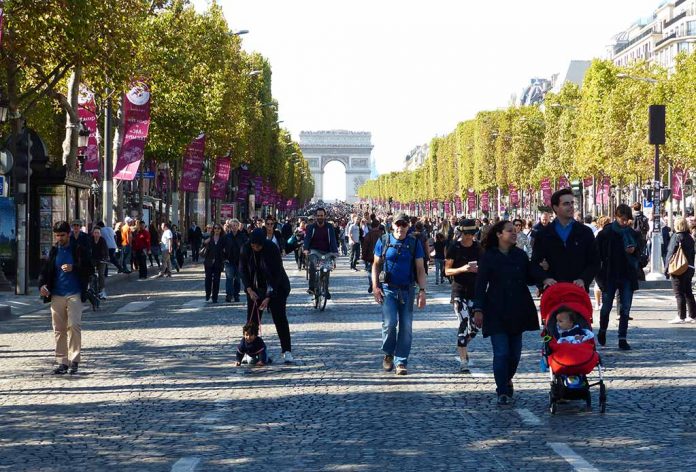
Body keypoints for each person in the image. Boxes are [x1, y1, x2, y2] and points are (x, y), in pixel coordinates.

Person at [472, 220, 539, 406]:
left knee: (515, 354)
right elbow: (480, 284)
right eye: (509, 231)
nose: (514, 232)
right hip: (495, 308)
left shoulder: (520, 255)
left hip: (517, 308)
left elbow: (529, 279)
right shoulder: (489, 256)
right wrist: (478, 309)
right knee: (501, 352)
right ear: (499, 235)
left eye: (515, 230)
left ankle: (507, 378)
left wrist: (542, 270)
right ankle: (502, 389)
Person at [371, 213, 427, 376]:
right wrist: (375, 286)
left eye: (404, 224)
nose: (401, 227)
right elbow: (375, 264)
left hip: (407, 289)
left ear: (408, 226)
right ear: (392, 225)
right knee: (389, 323)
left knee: (406, 327)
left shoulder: (414, 243)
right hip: (388, 288)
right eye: (398, 224)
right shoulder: (383, 240)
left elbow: (420, 269)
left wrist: (422, 291)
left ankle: (401, 361)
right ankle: (388, 353)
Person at [39, 221, 93, 375]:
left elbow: (89, 268)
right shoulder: (54, 251)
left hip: (74, 292)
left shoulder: (78, 249)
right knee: (59, 329)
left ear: (68, 234)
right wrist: (42, 286)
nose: (59, 238)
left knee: (74, 325)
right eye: (57, 235)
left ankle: (74, 360)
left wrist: (73, 268)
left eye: (62, 235)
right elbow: (46, 271)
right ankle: (62, 362)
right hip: (56, 294)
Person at [240, 228, 294, 363]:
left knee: (279, 318)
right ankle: (250, 351)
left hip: (277, 287)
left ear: (263, 243)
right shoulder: (245, 249)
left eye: (258, 246)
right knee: (252, 321)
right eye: (253, 245)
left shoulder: (272, 249)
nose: (255, 248)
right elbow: (242, 270)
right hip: (255, 288)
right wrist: (249, 290)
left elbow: (276, 275)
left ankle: (286, 350)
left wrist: (269, 296)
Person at [531, 188, 599, 292]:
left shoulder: (585, 232)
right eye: (566, 203)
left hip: (578, 291)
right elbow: (535, 263)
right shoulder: (543, 234)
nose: (571, 206)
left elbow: (594, 262)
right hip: (553, 291)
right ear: (555, 207)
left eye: (572, 203)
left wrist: (583, 279)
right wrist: (545, 279)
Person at [595, 204, 642, 350]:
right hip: (609, 275)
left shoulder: (633, 234)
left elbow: (640, 255)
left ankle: (622, 338)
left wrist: (634, 251)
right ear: (616, 216)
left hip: (627, 275)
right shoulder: (606, 233)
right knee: (606, 306)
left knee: (625, 308)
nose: (624, 222)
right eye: (622, 219)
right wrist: (599, 277)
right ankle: (602, 331)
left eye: (627, 219)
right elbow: (597, 256)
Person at [445, 218, 482, 372]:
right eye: (466, 234)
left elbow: (485, 267)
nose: (468, 237)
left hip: (475, 291)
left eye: (471, 234)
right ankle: (463, 360)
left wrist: (480, 269)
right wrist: (463, 269)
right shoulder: (454, 247)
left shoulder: (478, 248)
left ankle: (462, 344)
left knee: (475, 327)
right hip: (459, 291)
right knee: (463, 322)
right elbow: (447, 271)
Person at [665, 217, 696, 324]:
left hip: (678, 267)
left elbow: (670, 253)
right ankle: (692, 315)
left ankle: (681, 316)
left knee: (679, 293)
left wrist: (666, 269)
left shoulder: (676, 236)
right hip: (690, 267)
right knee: (688, 292)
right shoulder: (689, 237)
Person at [303, 207, 339, 297]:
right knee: (313, 265)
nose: (320, 217)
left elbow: (333, 239)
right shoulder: (311, 227)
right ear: (315, 217)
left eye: (321, 216)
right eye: (318, 216)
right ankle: (311, 287)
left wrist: (335, 252)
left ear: (325, 216)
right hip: (314, 251)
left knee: (326, 269)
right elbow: (307, 239)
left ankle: (325, 290)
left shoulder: (329, 227)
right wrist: (306, 249)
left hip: (326, 252)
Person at [224, 218, 247, 303]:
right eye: (232, 225)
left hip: (239, 261)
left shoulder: (242, 236)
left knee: (237, 279)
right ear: (230, 227)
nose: (234, 227)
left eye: (235, 225)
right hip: (229, 261)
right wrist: (224, 258)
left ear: (238, 226)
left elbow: (246, 247)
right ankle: (229, 295)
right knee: (229, 279)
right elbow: (222, 248)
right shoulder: (226, 237)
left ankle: (236, 295)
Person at [203, 223, 226, 303]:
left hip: (218, 262)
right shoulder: (210, 237)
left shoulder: (223, 239)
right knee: (208, 279)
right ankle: (207, 294)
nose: (217, 230)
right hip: (208, 262)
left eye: (218, 228)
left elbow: (225, 250)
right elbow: (203, 244)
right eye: (215, 228)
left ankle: (215, 297)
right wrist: (206, 241)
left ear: (221, 230)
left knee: (216, 280)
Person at [361, 219, 383, 293]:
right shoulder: (382, 234)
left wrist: (363, 255)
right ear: (378, 226)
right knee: (379, 270)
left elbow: (365, 246)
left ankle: (372, 283)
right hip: (380, 256)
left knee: (370, 271)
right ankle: (378, 284)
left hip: (370, 256)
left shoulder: (369, 234)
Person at [90, 226, 109, 300]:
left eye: (98, 233)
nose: (96, 234)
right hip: (92, 259)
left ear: (100, 234)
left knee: (101, 274)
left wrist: (105, 258)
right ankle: (90, 289)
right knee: (90, 273)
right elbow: (88, 250)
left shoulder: (102, 240)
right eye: (95, 233)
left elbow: (106, 251)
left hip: (101, 259)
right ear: (93, 234)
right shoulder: (90, 240)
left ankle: (102, 291)